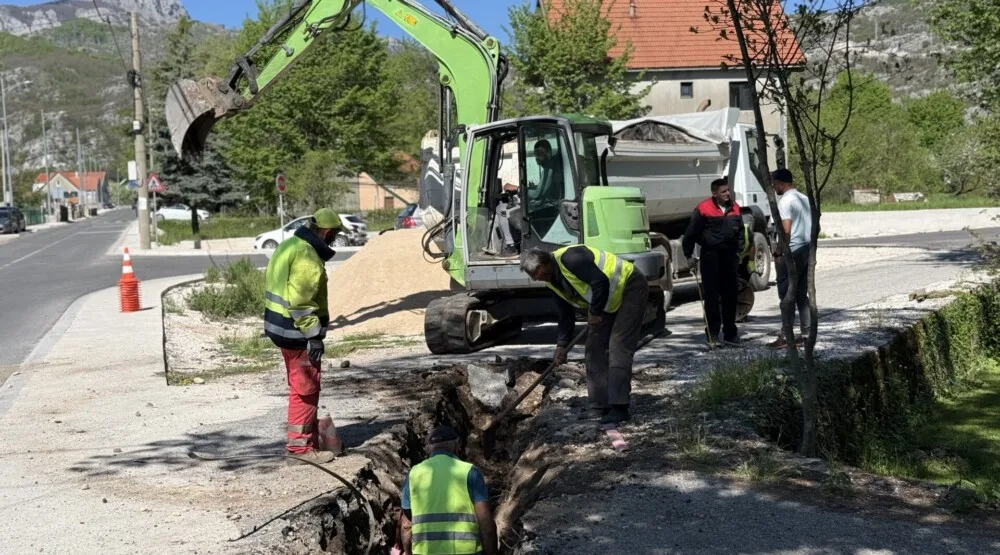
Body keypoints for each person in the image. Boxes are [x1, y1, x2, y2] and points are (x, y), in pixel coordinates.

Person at [521, 246, 648, 424]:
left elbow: (600, 281)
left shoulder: (571, 259)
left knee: (618, 346)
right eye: (533, 275)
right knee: (594, 350)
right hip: (606, 301)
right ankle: (600, 406)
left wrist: (595, 312)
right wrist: (562, 345)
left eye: (536, 272)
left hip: (629, 287)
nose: (536, 278)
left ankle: (620, 408)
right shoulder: (552, 281)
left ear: (543, 264)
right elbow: (565, 314)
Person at [263, 208, 342, 464]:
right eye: (334, 235)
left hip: (278, 327)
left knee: (301, 386)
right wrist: (313, 336)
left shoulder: (290, 245)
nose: (333, 239)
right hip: (296, 332)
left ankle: (309, 438)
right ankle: (300, 449)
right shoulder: (307, 257)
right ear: (327, 232)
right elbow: (299, 302)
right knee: (306, 387)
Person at [399, 426, 498, 555]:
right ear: (457, 443)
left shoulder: (413, 474)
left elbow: (406, 525)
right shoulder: (470, 472)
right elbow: (486, 526)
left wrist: (407, 552)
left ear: (429, 448)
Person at [682, 177, 746, 346]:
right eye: (723, 191)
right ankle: (712, 335)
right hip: (711, 257)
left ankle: (730, 334)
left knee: (730, 296)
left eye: (728, 190)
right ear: (714, 193)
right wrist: (688, 255)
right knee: (711, 297)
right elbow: (691, 233)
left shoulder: (735, 208)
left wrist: (739, 251)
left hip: (730, 257)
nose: (727, 194)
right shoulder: (703, 209)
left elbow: (740, 232)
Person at [769, 169, 813, 348]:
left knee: (786, 294)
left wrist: (779, 251)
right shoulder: (803, 198)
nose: (773, 187)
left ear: (781, 183)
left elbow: (786, 230)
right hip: (806, 248)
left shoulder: (785, 201)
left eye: (774, 184)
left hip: (792, 251)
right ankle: (806, 333)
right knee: (802, 294)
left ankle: (786, 336)